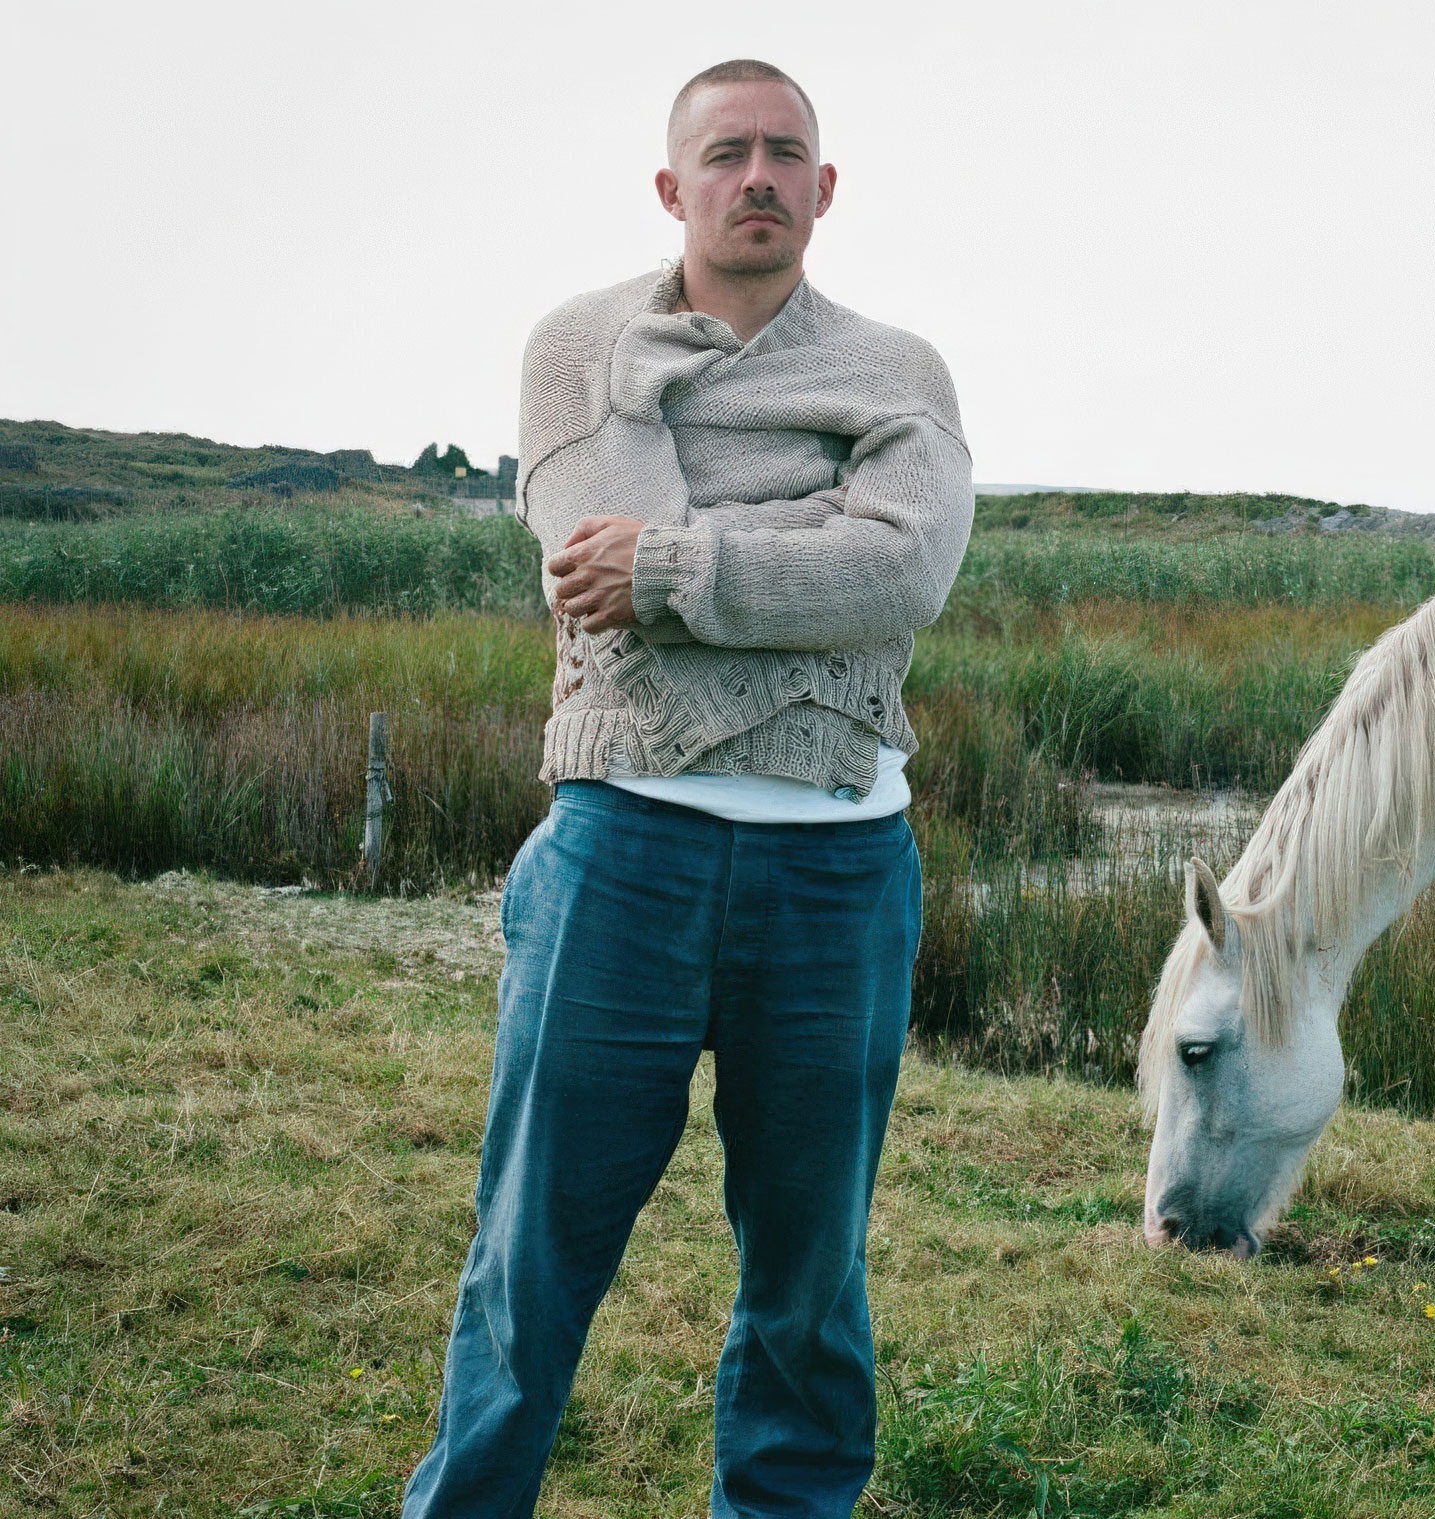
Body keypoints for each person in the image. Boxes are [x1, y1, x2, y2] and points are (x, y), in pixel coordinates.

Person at [402, 57, 973, 1519]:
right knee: (532, 1260)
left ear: (825, 188)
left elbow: (900, 572)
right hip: (621, 855)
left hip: (840, 875)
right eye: (727, 152)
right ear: (674, 186)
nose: (759, 176)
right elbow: (588, 560)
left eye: (788, 152)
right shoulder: (580, 344)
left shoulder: (897, 369)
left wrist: (678, 567)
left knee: (807, 1284)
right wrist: (803, 544)